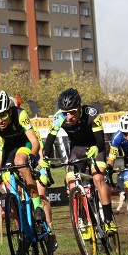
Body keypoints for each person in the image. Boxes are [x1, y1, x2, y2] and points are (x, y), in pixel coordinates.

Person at [0, 90, 56, 248]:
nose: (0, 120)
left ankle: (37, 206)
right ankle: (22, 233)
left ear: (9, 111)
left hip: (24, 143)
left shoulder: (20, 114)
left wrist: (32, 157)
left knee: (20, 161)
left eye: (3, 115)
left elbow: (34, 142)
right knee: (10, 193)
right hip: (8, 149)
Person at [40, 88, 116, 233]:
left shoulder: (91, 114)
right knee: (71, 181)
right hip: (77, 149)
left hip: (95, 147)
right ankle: (83, 219)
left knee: (98, 178)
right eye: (65, 113)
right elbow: (49, 143)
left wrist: (96, 148)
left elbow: (101, 140)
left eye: (72, 112)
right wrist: (45, 158)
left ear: (80, 107)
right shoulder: (58, 118)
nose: (68, 116)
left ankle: (108, 219)